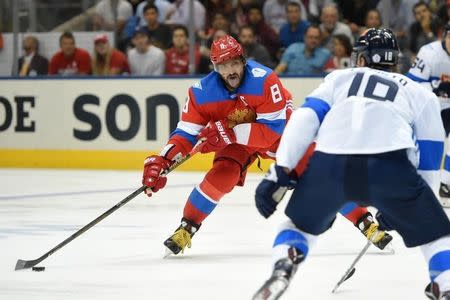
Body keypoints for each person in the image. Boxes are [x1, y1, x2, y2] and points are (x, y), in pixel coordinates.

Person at [141, 34, 392, 256]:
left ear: (243, 61)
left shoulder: (264, 80)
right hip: (238, 140)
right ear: (215, 67)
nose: (231, 70)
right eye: (224, 65)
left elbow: (271, 132)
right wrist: (163, 160)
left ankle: (364, 221)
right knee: (222, 175)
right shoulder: (200, 93)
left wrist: (227, 134)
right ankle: (187, 226)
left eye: (235, 63)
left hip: (278, 132)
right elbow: (185, 133)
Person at [252, 28, 450, 300]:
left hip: (331, 163)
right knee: (436, 236)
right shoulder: (419, 94)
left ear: (360, 60)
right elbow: (430, 157)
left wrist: (280, 169)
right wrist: (412, 207)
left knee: (296, 227)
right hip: (390, 167)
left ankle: (284, 267)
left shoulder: (338, 79)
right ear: (395, 61)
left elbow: (305, 118)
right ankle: (445, 283)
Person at [407, 23, 450, 206]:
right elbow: (412, 84)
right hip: (430, 107)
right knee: (423, 149)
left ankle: (446, 184)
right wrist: (435, 88)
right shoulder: (428, 52)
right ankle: (414, 185)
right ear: (445, 36)